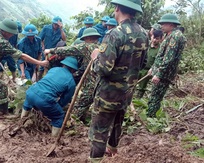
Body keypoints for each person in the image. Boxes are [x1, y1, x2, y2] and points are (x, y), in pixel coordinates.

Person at [88, 0, 149, 162]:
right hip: (126, 93)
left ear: (117, 8)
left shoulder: (115, 34)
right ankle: (113, 151)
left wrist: (95, 58)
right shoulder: (144, 33)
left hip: (108, 95)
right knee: (117, 124)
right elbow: (143, 63)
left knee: (99, 131)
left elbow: (103, 69)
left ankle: (96, 160)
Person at [44, 28, 101, 123]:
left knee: (79, 106)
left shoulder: (88, 47)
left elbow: (69, 50)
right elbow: (84, 67)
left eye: (85, 40)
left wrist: (50, 50)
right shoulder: (100, 49)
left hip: (92, 84)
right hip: (103, 85)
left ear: (89, 38)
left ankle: (72, 124)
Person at [20, 57, 78, 136]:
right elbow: (64, 101)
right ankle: (54, 138)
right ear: (73, 70)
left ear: (63, 65)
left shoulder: (54, 69)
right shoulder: (71, 81)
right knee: (59, 115)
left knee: (27, 104)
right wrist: (53, 107)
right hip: (44, 99)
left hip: (31, 91)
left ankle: (21, 123)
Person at [147, 14, 186, 117]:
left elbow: (169, 58)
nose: (161, 26)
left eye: (163, 24)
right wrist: (153, 68)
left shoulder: (175, 36)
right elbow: (162, 55)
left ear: (170, 24)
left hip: (164, 74)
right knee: (155, 96)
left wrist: (159, 74)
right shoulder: (170, 35)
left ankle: (150, 118)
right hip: (162, 71)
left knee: (155, 97)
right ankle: (151, 116)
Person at [37, 16, 67, 80]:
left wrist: (61, 29)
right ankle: (38, 79)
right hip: (45, 50)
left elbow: (64, 40)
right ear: (52, 23)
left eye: (57, 25)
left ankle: (48, 79)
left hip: (54, 52)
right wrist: (42, 46)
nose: (56, 26)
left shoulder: (61, 30)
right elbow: (40, 39)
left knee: (51, 66)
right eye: (55, 24)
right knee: (42, 65)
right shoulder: (46, 28)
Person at [137, 29, 163, 98]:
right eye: (153, 38)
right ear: (151, 36)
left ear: (160, 39)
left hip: (148, 70)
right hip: (138, 68)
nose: (154, 40)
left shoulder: (161, 49)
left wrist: (152, 68)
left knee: (141, 87)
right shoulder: (145, 45)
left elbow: (159, 61)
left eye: (157, 39)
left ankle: (138, 99)